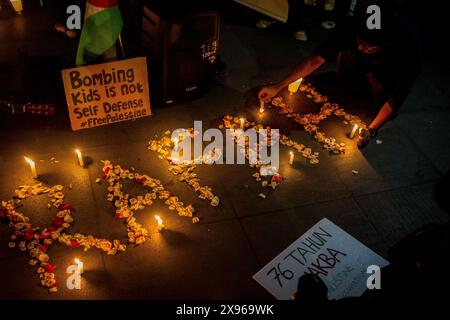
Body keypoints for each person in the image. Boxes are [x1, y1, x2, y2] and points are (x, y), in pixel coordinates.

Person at [258, 1, 420, 148]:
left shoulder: (405, 52)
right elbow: (315, 59)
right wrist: (278, 86)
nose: (364, 49)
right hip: (356, 61)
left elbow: (394, 100)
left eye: (370, 48)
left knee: (375, 100)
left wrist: (371, 130)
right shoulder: (352, 28)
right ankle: (349, 84)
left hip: (387, 68)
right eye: (361, 43)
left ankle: (370, 98)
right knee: (347, 59)